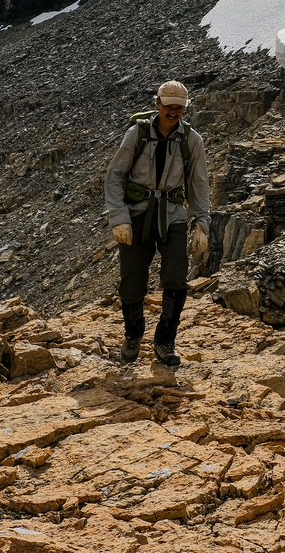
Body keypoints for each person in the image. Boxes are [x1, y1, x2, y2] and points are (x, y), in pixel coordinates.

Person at [104, 80, 210, 365]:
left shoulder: (191, 140)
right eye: (169, 106)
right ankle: (133, 335)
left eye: (179, 108)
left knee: (176, 276)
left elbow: (198, 184)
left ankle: (165, 341)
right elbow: (115, 176)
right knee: (132, 279)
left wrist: (202, 223)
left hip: (173, 216)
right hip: (136, 215)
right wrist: (119, 218)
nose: (173, 112)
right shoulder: (137, 134)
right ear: (157, 104)